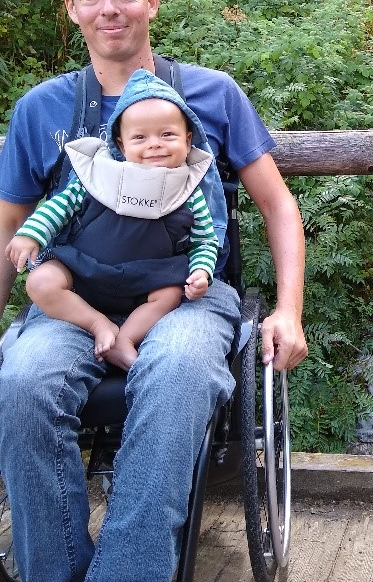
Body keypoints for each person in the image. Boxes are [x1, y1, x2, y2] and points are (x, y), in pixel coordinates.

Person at [0, 0, 307, 582]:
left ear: (151, 1)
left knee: (173, 381)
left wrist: (289, 311)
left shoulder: (212, 92)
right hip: (72, 296)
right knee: (23, 381)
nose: (112, 8)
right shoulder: (43, 109)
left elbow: (277, 207)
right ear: (70, 6)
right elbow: (9, 227)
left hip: (188, 297)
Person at [5, 76, 223, 372]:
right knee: (40, 281)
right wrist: (31, 234)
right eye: (140, 138)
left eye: (168, 135)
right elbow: (60, 206)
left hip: (147, 281)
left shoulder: (188, 190)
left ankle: (126, 338)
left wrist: (201, 271)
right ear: (120, 144)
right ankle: (98, 324)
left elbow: (205, 241)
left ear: (188, 140)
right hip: (82, 273)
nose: (155, 145)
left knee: (171, 294)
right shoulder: (101, 174)